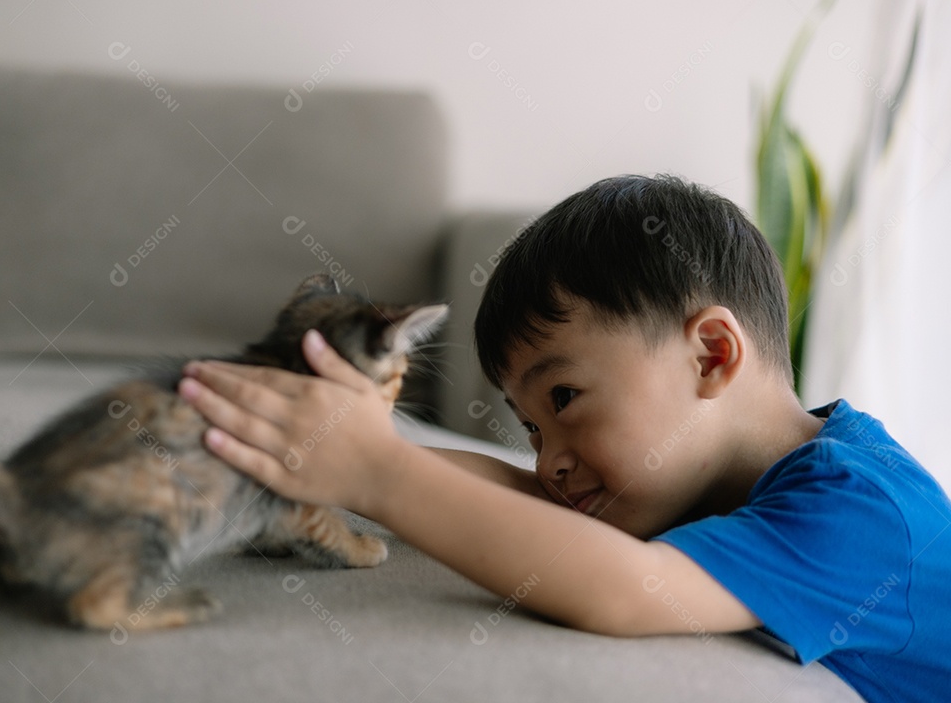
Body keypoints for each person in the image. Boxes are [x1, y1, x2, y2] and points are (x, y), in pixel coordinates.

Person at [178, 175, 950, 703]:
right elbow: (519, 491)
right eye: (530, 429)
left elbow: (624, 590)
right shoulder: (717, 471)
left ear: (712, 355)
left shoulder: (858, 512)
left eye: (566, 398)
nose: (548, 459)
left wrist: (378, 474)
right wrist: (325, 455)